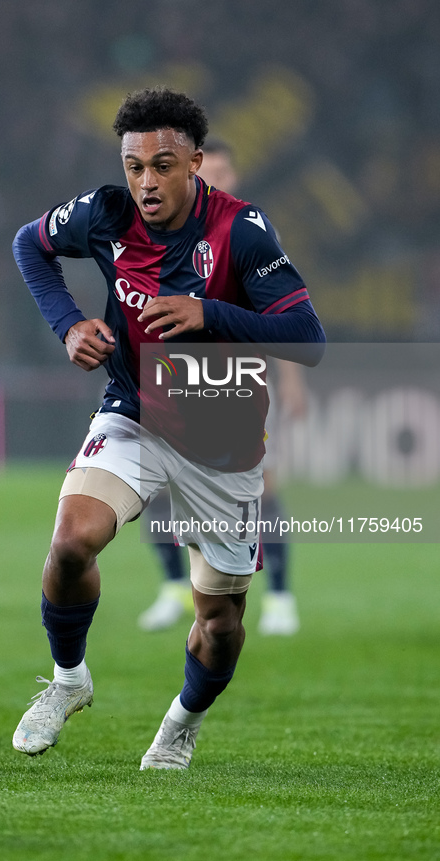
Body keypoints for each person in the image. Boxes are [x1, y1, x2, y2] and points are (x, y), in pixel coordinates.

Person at [12, 87, 325, 770]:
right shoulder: (103, 212)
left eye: (161, 165)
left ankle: (182, 719)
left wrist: (209, 314)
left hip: (224, 442)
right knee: (70, 542)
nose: (145, 182)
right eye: (133, 166)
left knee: (218, 624)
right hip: (135, 412)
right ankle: (68, 680)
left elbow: (306, 336)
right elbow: (28, 246)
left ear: (195, 164)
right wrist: (68, 325)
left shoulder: (241, 230)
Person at [137, 139, 309, 635]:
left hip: (240, 381)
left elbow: (285, 310)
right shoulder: (162, 232)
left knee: (262, 489)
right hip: (173, 381)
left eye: (222, 172)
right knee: (161, 488)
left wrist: (292, 379)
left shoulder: (250, 232)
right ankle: (173, 588)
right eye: (205, 173)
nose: (214, 181)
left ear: (233, 178)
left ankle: (279, 595)